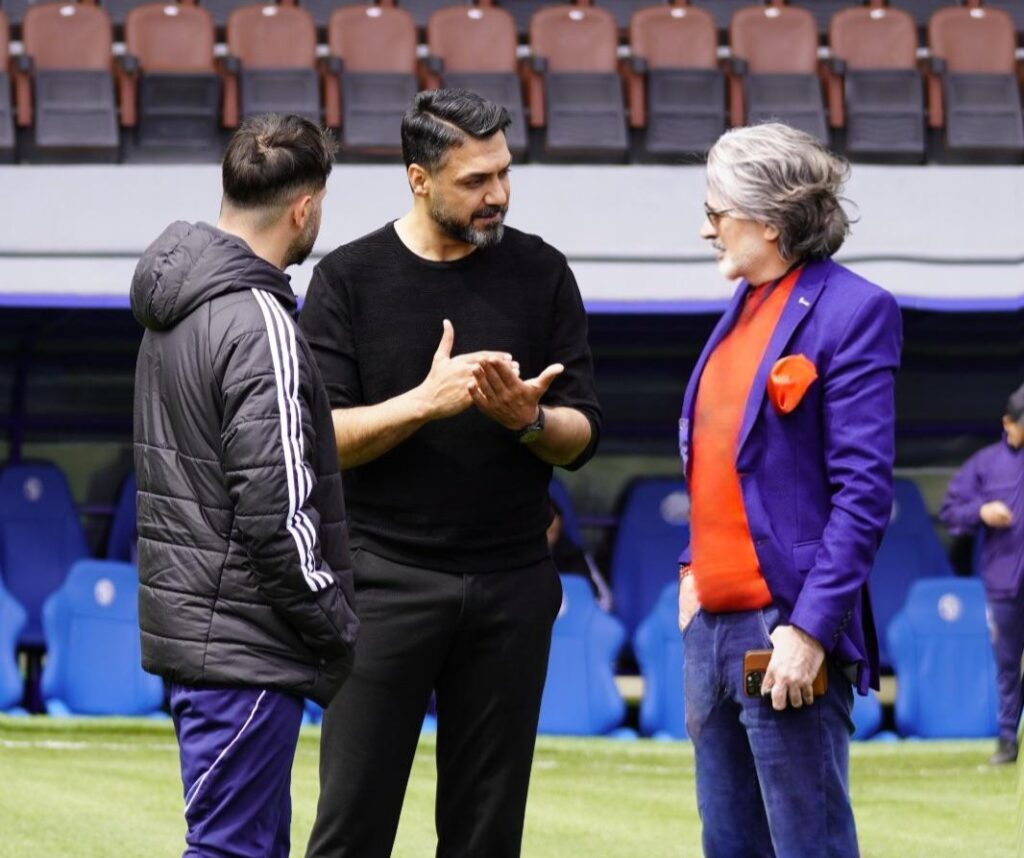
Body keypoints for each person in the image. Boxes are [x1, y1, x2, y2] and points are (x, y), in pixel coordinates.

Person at [301, 88, 601, 858]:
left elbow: (581, 435)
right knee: (351, 827)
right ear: (419, 178)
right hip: (383, 581)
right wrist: (423, 404)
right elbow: (322, 441)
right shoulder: (348, 278)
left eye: (503, 173)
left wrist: (529, 420)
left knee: (486, 836)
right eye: (475, 180)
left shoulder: (542, 272)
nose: (497, 193)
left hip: (512, 584)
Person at [131, 113, 359, 858]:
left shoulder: (175, 309)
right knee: (231, 851)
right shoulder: (259, 319)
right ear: (305, 208)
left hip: (203, 639)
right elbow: (276, 506)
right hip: (247, 644)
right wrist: (334, 620)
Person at [676, 123, 902, 857]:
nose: (706, 229)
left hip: (785, 630)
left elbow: (864, 493)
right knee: (728, 846)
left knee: (811, 846)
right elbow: (718, 463)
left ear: (769, 220)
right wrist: (691, 574)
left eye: (716, 212)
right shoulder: (740, 309)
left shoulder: (854, 309)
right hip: (710, 628)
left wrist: (809, 630)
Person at [939, 381, 1024, 765]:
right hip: (1004, 581)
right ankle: (1007, 741)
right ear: (1007, 423)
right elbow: (950, 510)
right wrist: (981, 511)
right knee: (1006, 664)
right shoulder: (986, 463)